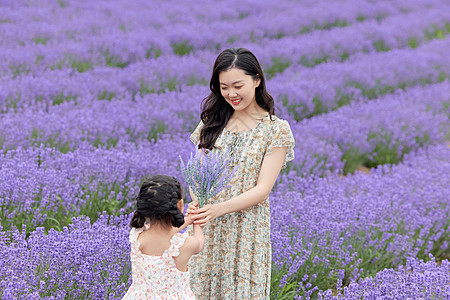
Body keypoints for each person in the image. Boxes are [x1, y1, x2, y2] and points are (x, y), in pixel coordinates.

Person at [187, 48, 295, 299]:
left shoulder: (275, 130)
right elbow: (196, 173)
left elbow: (262, 189)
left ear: (257, 80)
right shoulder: (211, 123)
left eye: (238, 85)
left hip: (246, 230)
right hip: (207, 225)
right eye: (224, 87)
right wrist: (198, 201)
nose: (231, 94)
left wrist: (218, 208)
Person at [123, 175, 205, 299]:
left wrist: (187, 221)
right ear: (180, 204)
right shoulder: (184, 245)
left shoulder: (137, 236)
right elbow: (199, 243)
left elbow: (164, 233)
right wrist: (197, 220)